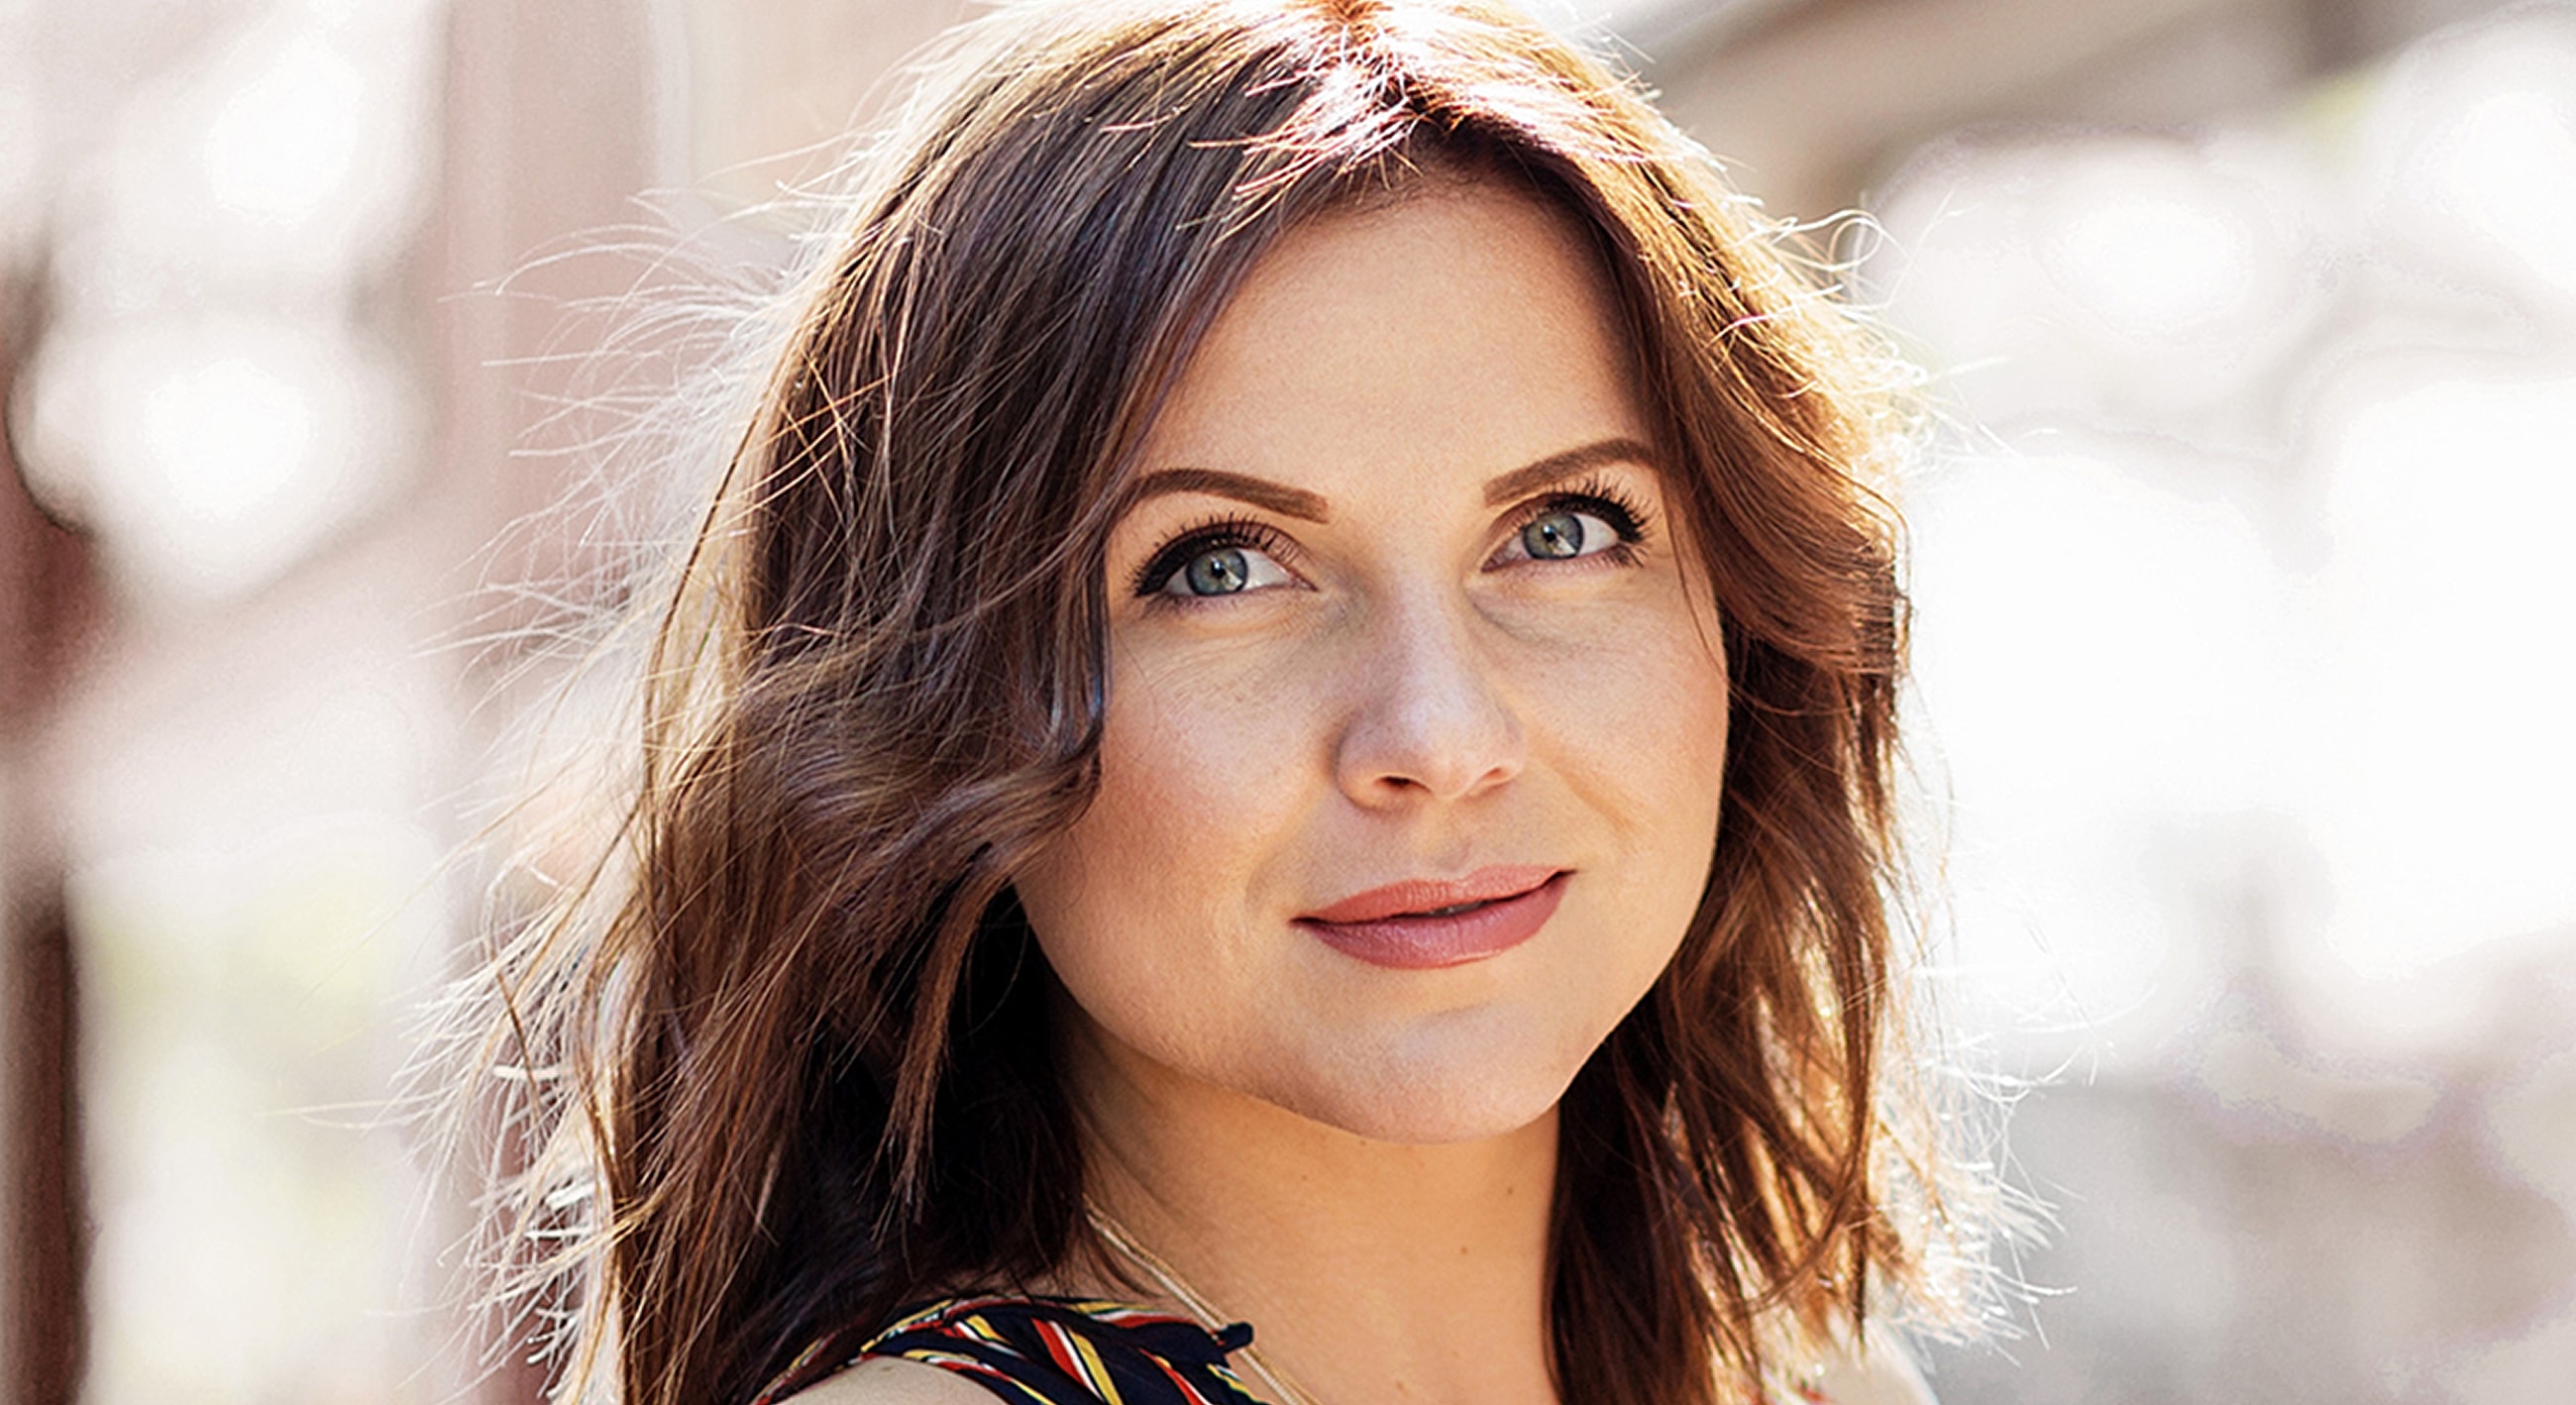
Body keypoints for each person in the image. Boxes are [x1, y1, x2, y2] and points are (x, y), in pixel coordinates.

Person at [456, 2, 1976, 1403]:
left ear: (1748, 615)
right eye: (1222, 566)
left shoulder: (1817, 1382)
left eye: (1563, 530)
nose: (1439, 738)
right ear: (937, 705)